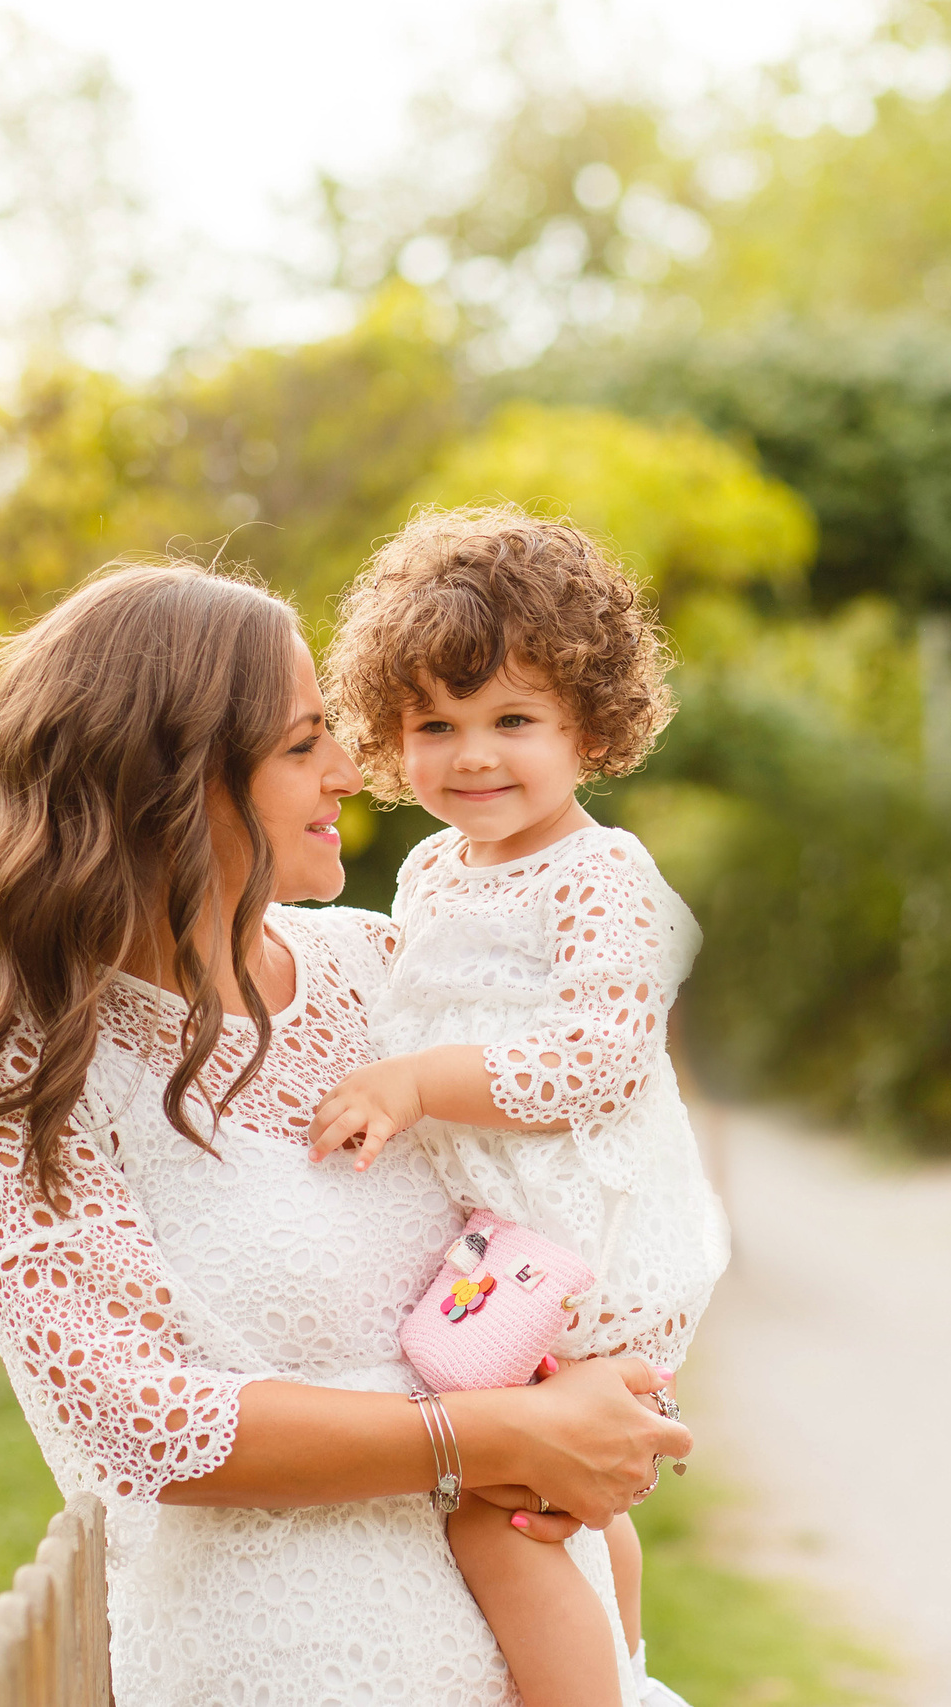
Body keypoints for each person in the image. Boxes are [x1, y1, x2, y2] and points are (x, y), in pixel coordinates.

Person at [0, 560, 692, 1707]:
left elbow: (584, 1180)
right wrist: (499, 1436)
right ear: (171, 780)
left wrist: (614, 1389)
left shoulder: (382, 970)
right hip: (291, 1666)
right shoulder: (23, 1077)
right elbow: (136, 1418)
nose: (354, 769)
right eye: (304, 745)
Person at [310, 508, 729, 1707]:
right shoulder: (439, 866)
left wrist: (415, 1085)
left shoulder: (604, 876)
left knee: (503, 1513)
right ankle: (631, 1667)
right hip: (506, 1238)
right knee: (559, 1499)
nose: (471, 757)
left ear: (588, 728)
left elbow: (590, 1061)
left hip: (582, 1242)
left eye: (511, 722)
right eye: (433, 726)